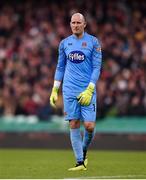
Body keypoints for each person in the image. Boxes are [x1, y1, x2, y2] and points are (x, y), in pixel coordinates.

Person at [50, 13, 102, 171]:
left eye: (79, 22)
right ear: (70, 24)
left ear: (85, 24)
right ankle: (80, 162)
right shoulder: (64, 43)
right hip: (69, 89)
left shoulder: (93, 42)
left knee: (89, 126)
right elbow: (60, 67)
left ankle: (84, 151)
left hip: (87, 89)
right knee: (73, 123)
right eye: (73, 22)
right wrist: (55, 89)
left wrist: (91, 88)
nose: (75, 25)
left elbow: (96, 67)